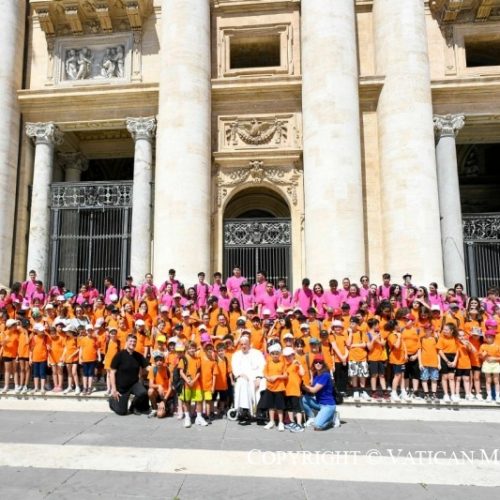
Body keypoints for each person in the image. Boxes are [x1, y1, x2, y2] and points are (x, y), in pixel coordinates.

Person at [109, 334, 150, 415]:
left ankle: (133, 407)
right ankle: (112, 401)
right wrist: (114, 389)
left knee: (143, 393)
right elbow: (112, 372)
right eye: (131, 341)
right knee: (122, 412)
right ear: (126, 342)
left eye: (134, 341)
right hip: (122, 387)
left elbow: (148, 367)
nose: (133, 343)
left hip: (134, 384)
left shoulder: (138, 356)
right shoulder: (119, 355)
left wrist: (158, 368)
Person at [231, 336, 266, 423]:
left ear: (249, 344)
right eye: (241, 344)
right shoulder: (236, 355)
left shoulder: (257, 353)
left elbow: (263, 366)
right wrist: (240, 374)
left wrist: (259, 378)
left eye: (245, 344)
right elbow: (235, 368)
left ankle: (260, 412)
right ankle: (245, 411)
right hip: (244, 378)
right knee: (242, 382)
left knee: (263, 384)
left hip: (256, 378)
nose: (243, 346)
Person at [302, 354, 337, 431]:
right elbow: (311, 385)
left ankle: (332, 418)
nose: (318, 364)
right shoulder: (315, 375)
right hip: (319, 403)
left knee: (317, 426)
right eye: (316, 362)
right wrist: (311, 376)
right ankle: (311, 417)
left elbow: (314, 390)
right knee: (303, 399)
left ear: (323, 364)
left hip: (328, 405)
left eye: (320, 362)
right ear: (314, 364)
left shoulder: (325, 375)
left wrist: (301, 386)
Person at [260, 343, 287, 431]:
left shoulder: (282, 364)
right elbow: (264, 373)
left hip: (279, 388)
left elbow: (285, 375)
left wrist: (277, 377)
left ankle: (281, 422)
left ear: (279, 354)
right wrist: (268, 378)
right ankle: (271, 421)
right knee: (270, 406)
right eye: (273, 354)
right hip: (270, 387)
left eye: (277, 353)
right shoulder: (268, 363)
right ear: (270, 354)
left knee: (279, 407)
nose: (275, 355)